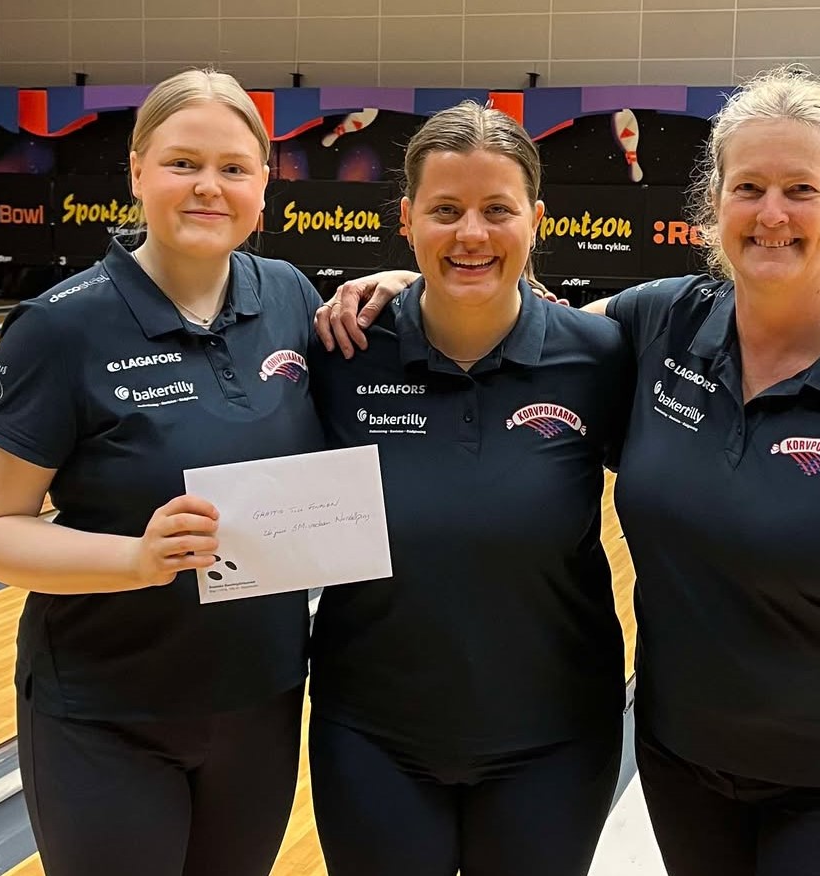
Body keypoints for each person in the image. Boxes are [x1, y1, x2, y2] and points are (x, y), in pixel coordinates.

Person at [319, 66, 820, 876]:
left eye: (800, 189)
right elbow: (517, 333)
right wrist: (415, 287)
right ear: (715, 203)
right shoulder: (664, 322)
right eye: (749, 188)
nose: (773, 213)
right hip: (687, 765)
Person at [0, 70, 326, 876]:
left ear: (265, 183)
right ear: (136, 171)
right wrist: (136, 558)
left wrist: (400, 284)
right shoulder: (59, 328)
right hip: (107, 714)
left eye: (233, 168)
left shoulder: (291, 296)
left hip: (261, 700)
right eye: (183, 163)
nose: (208, 186)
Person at [305, 101, 633, 876]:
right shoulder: (341, 349)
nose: (472, 234)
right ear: (407, 218)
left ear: (537, 221)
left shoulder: (599, 356)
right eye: (446, 211)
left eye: (498, 210)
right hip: (371, 737)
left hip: (556, 740)